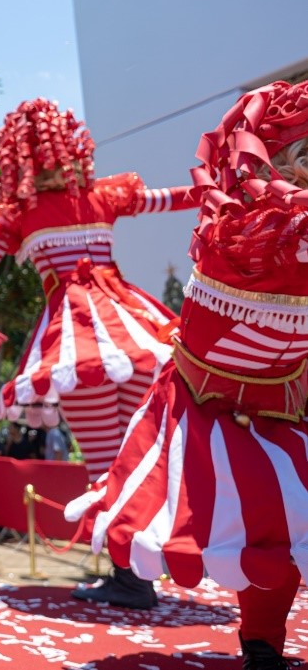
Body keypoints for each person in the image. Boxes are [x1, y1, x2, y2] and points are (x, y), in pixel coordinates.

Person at [68, 82, 308, 668]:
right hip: (171, 362)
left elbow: (175, 196)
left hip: (254, 385)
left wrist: (214, 186)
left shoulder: (109, 200)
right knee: (254, 522)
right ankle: (137, 577)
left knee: (272, 525)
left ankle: (252, 639)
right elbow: (180, 197)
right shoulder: (239, 225)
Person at [0, 98, 199, 604]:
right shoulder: (103, 196)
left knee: (104, 463)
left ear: (17, 159)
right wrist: (222, 187)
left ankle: (130, 579)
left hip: (79, 350)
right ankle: (138, 571)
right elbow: (177, 198)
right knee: (133, 458)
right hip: (135, 334)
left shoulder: (18, 214)